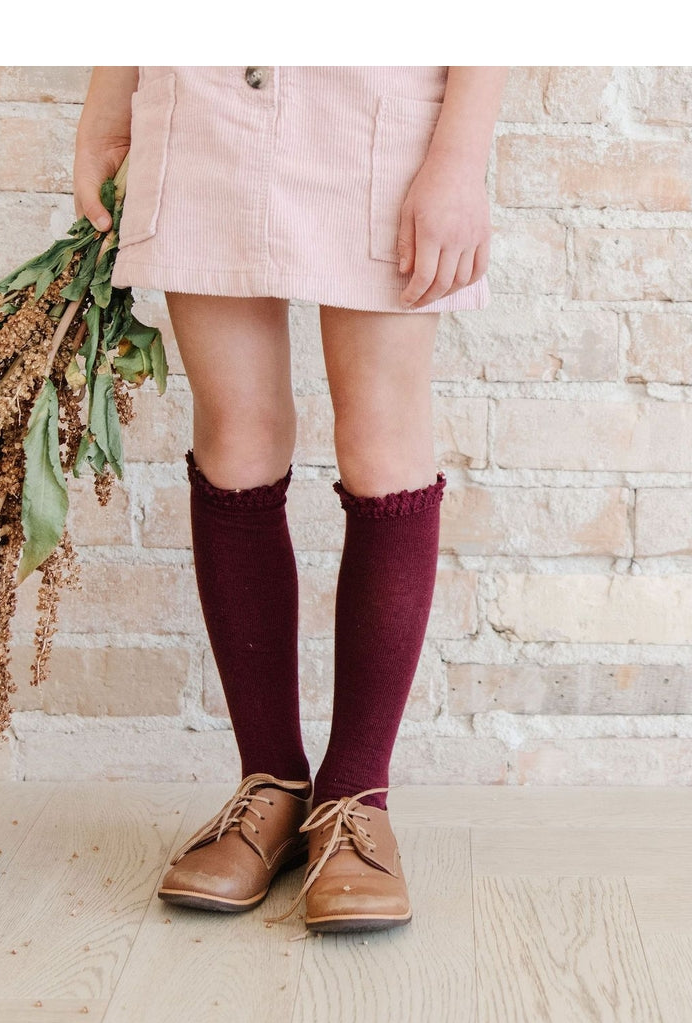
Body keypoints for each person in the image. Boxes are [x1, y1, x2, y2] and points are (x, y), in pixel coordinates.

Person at [73, 65, 507, 934]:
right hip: (205, 96)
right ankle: (269, 782)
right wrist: (108, 107)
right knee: (236, 435)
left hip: (381, 97)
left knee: (381, 443)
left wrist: (460, 157)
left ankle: (356, 798)